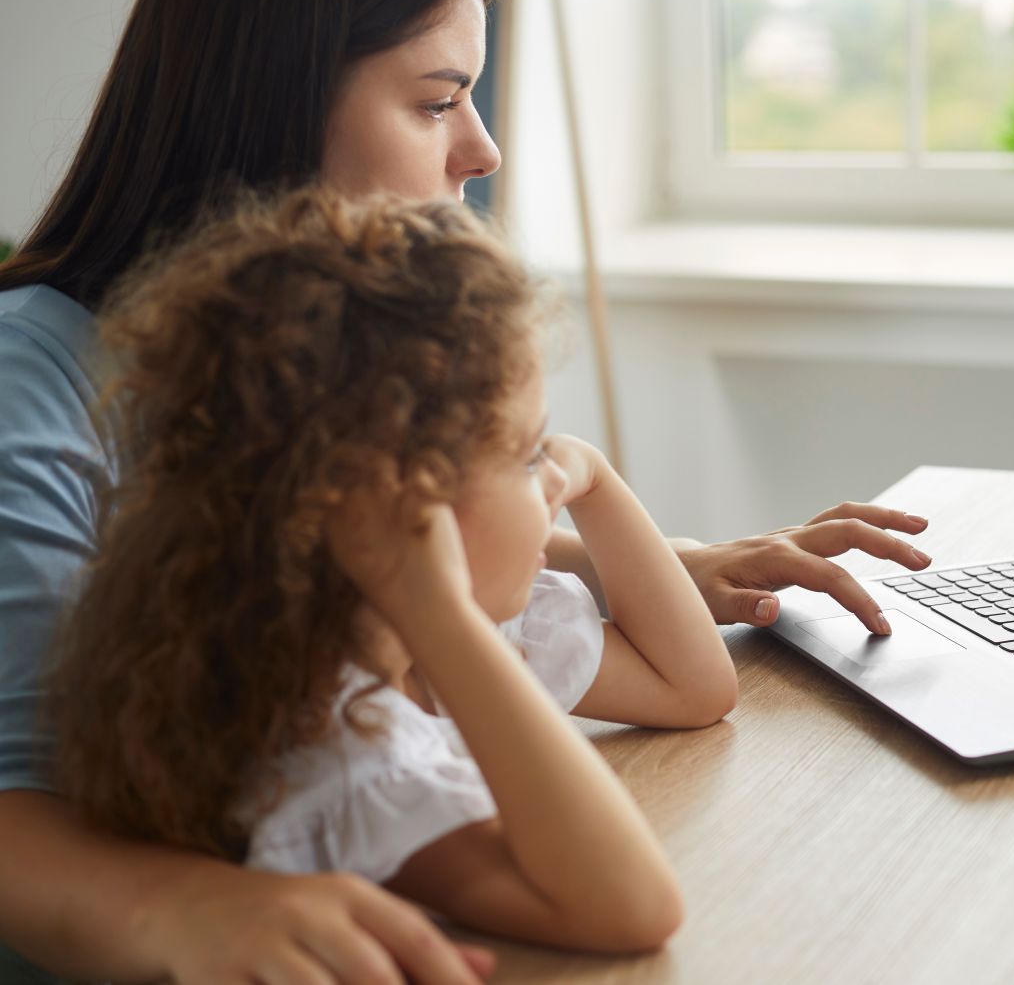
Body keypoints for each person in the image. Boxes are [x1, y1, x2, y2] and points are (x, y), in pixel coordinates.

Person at [0, 0, 929, 979]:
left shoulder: (328, 391)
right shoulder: (26, 386)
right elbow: (18, 789)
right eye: (438, 101)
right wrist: (179, 905)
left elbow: (351, 540)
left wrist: (635, 560)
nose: (483, 151)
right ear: (268, 102)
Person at [52, 185, 726, 953]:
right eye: (527, 454)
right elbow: (636, 908)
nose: (554, 480)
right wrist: (442, 615)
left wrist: (596, 479)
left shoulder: (472, 637)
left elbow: (696, 688)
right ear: (402, 509)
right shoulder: (332, 748)